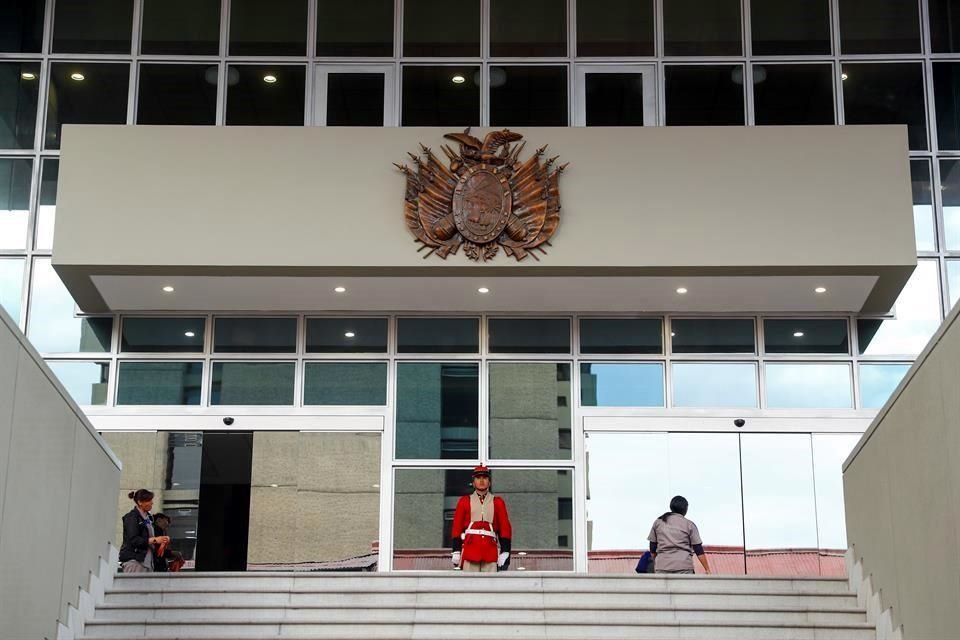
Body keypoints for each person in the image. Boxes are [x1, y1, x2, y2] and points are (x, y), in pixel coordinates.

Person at [450, 465, 512, 572]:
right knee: (468, 586)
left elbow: (504, 528)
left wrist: (505, 551)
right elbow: (457, 527)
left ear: (489, 482)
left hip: (490, 552)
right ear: (473, 483)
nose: (482, 480)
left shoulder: (497, 502)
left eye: (485, 478)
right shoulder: (464, 501)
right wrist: (456, 550)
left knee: (490, 586)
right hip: (470, 551)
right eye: (478, 478)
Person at [647, 495, 712, 575]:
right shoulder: (689, 524)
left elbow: (652, 546)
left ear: (671, 507)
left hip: (662, 566)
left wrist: (656, 561)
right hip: (684, 567)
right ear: (686, 509)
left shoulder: (658, 522)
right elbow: (698, 549)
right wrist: (707, 569)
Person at [118, 489, 169, 573]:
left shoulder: (149, 518)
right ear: (140, 502)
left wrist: (163, 540)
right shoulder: (132, 517)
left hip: (148, 561)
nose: (152, 503)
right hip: (135, 561)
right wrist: (155, 540)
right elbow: (134, 539)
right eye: (149, 500)